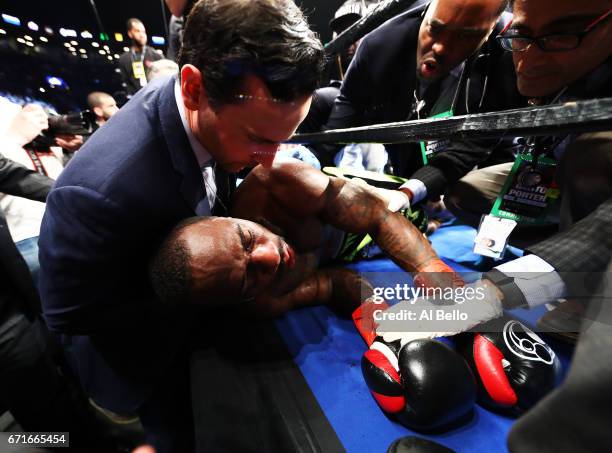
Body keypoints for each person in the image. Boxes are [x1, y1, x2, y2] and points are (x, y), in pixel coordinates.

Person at [38, 1, 324, 452]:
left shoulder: (219, 115)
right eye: (257, 138)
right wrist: (190, 280)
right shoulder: (97, 193)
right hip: (144, 373)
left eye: (283, 139)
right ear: (192, 88)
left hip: (197, 347)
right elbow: (68, 314)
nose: (269, 159)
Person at [378, 0, 612, 346]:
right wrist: (405, 193)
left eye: (561, 36)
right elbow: (474, 142)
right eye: (522, 34)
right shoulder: (505, 52)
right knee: (466, 194)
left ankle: (586, 285)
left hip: (595, 185)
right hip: (547, 173)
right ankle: (561, 251)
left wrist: (494, 292)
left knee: (594, 153)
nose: (529, 58)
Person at [149, 158, 462, 314]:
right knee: (430, 226)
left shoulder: (278, 183)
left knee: (440, 202)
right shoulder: (264, 303)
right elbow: (329, 285)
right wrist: (378, 317)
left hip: (368, 203)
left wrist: (431, 270)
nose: (270, 257)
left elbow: (379, 218)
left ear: (226, 216)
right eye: (249, 277)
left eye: (247, 239)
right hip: (358, 250)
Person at [315, 0, 520, 206]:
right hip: (401, 120)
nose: (440, 47)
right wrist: (312, 165)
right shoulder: (382, 43)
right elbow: (346, 107)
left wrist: (408, 192)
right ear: (427, 11)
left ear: (491, 29)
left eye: (464, 36)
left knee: (473, 188)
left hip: (478, 140)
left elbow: (476, 143)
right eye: (435, 28)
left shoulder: (510, 52)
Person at [117, 18, 164, 98]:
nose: (142, 35)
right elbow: (125, 81)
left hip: (155, 97)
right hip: (136, 99)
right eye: (138, 31)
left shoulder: (156, 55)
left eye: (143, 32)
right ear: (130, 33)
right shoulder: (123, 59)